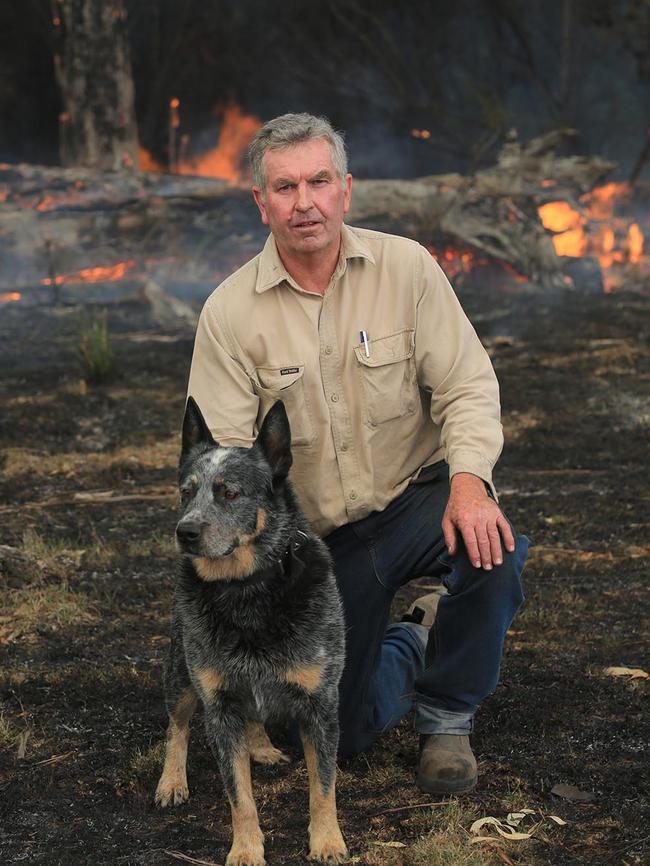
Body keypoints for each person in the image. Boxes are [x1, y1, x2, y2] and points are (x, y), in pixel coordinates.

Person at [186, 112, 529, 795]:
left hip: (414, 499)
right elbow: (221, 466)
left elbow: (465, 384)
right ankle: (416, 637)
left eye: (318, 181)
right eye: (284, 187)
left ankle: (447, 717)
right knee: (341, 729)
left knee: (494, 549)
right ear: (261, 203)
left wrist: (469, 484)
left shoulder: (406, 268)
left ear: (346, 188)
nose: (304, 202)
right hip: (317, 547)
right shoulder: (229, 314)